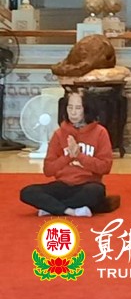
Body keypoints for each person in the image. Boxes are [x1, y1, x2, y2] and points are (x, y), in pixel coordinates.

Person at [20, 89, 114, 217]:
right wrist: (68, 156)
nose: (73, 112)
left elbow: (105, 167)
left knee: (96, 192)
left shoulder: (100, 132)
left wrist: (79, 156)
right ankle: (71, 210)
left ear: (87, 109)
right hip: (63, 185)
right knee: (27, 192)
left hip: (88, 185)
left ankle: (52, 208)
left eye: (78, 108)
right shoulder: (59, 134)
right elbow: (48, 170)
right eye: (70, 107)